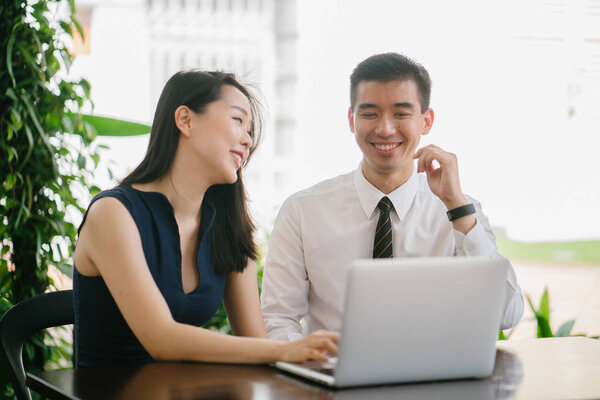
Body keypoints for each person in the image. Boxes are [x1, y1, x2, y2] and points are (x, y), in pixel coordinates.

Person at [73, 70, 338, 366]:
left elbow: (254, 344)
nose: (248, 140)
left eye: (251, 131)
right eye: (238, 120)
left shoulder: (231, 227)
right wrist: (285, 349)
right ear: (185, 120)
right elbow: (162, 339)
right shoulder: (113, 214)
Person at [261, 53, 524, 341]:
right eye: (370, 113)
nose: (385, 129)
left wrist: (458, 208)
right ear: (351, 120)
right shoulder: (302, 211)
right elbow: (277, 319)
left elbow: (506, 315)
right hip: (329, 375)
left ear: (426, 121)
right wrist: (314, 364)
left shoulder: (458, 210)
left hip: (432, 376)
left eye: (401, 113)